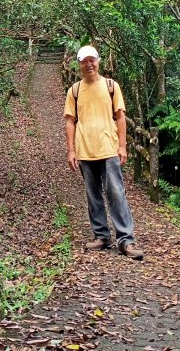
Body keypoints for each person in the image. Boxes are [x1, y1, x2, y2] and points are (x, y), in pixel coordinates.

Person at [64, 45, 143, 260]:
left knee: (116, 192)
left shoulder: (111, 86)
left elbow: (120, 116)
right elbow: (70, 121)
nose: (89, 64)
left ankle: (125, 239)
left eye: (92, 60)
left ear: (98, 61)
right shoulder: (75, 90)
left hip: (108, 147)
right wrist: (71, 150)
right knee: (93, 195)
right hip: (85, 150)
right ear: (79, 64)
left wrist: (122, 145)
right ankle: (102, 236)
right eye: (84, 61)